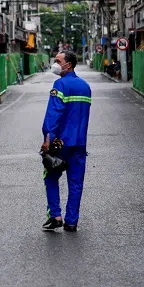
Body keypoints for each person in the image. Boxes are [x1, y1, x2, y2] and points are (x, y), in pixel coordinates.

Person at [40, 50, 91, 232]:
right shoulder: (85, 87)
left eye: (58, 61)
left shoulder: (59, 84)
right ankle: (71, 221)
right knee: (76, 183)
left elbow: (54, 114)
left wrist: (48, 138)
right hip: (79, 144)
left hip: (60, 144)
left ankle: (55, 215)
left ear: (67, 65)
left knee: (51, 176)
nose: (55, 64)